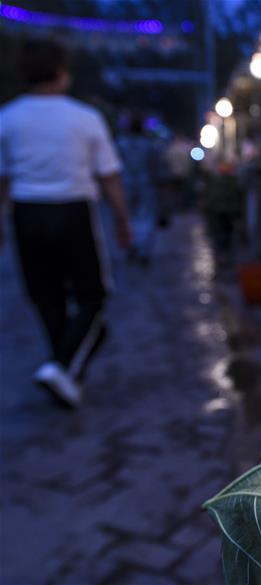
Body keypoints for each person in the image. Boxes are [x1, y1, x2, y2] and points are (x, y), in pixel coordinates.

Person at [0, 38, 132, 408]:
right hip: (73, 212)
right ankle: (61, 366)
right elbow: (109, 176)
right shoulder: (84, 118)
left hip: (26, 214)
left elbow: (3, 179)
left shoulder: (7, 118)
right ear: (62, 72)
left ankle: (63, 371)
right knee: (94, 296)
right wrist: (122, 219)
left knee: (47, 297)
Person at [117, 112, 160, 265]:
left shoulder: (121, 143)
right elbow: (155, 166)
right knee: (145, 217)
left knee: (128, 216)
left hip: (126, 183)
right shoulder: (149, 145)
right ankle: (142, 248)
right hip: (144, 183)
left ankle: (132, 246)